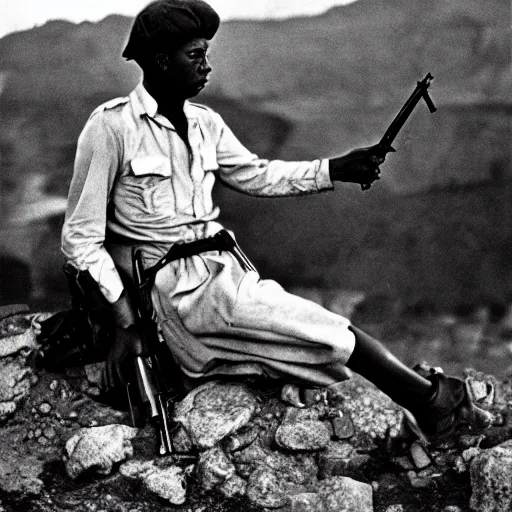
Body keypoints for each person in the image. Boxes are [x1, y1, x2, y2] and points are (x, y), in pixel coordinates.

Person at [61, 0, 492, 443]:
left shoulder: (205, 123)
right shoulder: (111, 128)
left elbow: (257, 174)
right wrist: (125, 321)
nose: (207, 66)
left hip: (225, 276)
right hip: (177, 297)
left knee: (309, 336)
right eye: (195, 56)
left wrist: (335, 169)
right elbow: (80, 237)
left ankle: (425, 394)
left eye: (206, 53)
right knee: (323, 333)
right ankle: (438, 403)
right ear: (160, 61)